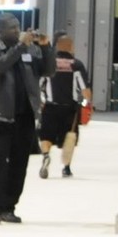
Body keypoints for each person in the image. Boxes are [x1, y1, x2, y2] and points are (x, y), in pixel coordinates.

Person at [0, 18, 47, 225]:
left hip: (26, 115)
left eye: (18, 27)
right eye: (13, 28)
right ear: (1, 30)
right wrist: (20, 46)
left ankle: (9, 207)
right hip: (2, 114)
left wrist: (46, 48)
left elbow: (47, 70)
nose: (18, 31)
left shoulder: (30, 49)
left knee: (20, 163)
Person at [39, 31, 89, 179]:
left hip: (50, 106)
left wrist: (41, 101)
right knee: (69, 138)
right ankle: (66, 168)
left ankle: (46, 155)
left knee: (46, 135)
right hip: (69, 108)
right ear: (71, 47)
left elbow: (39, 84)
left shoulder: (49, 63)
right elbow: (85, 91)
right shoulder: (76, 65)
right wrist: (86, 103)